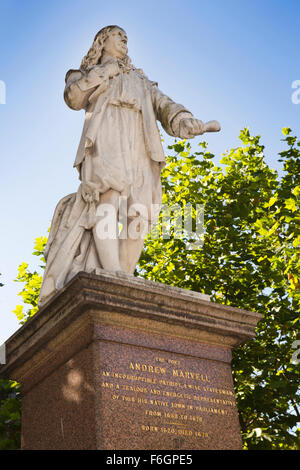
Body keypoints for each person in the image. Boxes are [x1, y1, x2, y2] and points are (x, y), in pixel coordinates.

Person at [38, 25, 220, 307]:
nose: (124, 40)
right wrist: (103, 72)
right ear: (101, 41)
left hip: (141, 139)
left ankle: (123, 279)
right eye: (117, 35)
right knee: (108, 197)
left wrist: (183, 119)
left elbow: (164, 104)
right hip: (106, 131)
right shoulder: (83, 74)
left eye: (126, 37)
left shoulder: (140, 78)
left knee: (142, 212)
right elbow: (73, 98)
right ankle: (111, 275)